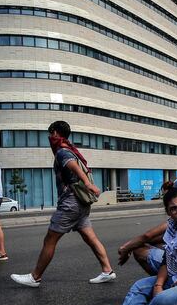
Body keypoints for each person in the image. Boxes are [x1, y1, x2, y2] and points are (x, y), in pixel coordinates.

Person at [11, 121, 115, 287]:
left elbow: (72, 166)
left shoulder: (62, 152)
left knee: (50, 240)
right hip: (81, 203)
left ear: (56, 133)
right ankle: (107, 270)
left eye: (51, 133)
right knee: (90, 237)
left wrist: (87, 184)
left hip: (70, 203)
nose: (49, 137)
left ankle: (35, 277)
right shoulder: (71, 149)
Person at [116, 177, 177, 276]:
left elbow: (148, 236)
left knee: (139, 250)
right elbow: (159, 238)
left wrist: (127, 247)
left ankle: (166, 283)